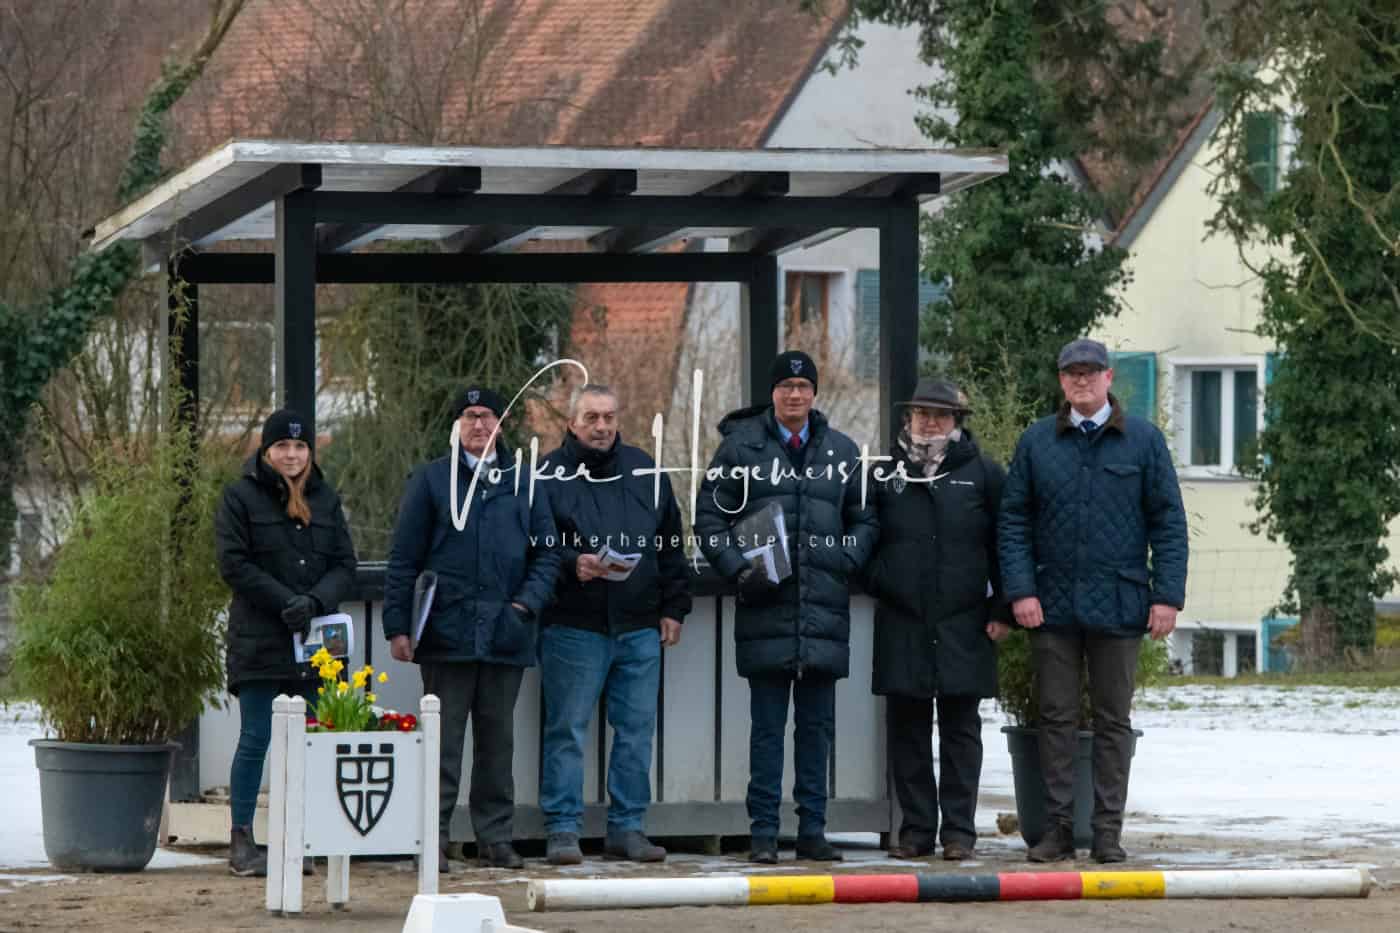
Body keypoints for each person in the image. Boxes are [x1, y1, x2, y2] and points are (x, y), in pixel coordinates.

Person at [999, 338, 1188, 863]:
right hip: (1050, 603)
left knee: (1113, 721)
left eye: (1090, 372)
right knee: (1055, 718)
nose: (1081, 381)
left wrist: (1167, 596)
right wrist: (1021, 590)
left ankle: (1107, 832)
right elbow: (1013, 522)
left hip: (1121, 603)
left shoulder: (1144, 441)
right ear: (1061, 381)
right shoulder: (1037, 442)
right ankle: (1057, 830)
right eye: (1071, 373)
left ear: (1109, 378)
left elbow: (1168, 523)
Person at [694, 350, 878, 864]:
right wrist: (739, 567)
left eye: (803, 386)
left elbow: (866, 518)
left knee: (817, 731)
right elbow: (708, 517)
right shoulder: (739, 449)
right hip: (766, 611)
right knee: (767, 732)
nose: (794, 394)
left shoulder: (843, 451)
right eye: (785, 386)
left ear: (814, 393)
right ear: (772, 393)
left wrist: (847, 558)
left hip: (823, 613)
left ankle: (813, 831)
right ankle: (763, 834)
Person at [381, 387, 560, 870]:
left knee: (497, 744)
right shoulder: (431, 481)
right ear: (457, 424)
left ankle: (495, 837)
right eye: (469, 415)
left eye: (487, 416)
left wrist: (524, 605)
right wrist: (398, 626)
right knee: (442, 743)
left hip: (506, 632)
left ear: (501, 424)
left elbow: (548, 554)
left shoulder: (525, 482)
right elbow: (404, 559)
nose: (479, 424)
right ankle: (432, 837)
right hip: (446, 633)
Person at [535, 384, 692, 865]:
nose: (601, 426)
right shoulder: (546, 476)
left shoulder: (646, 471)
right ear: (571, 423)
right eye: (591, 418)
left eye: (608, 416)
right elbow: (531, 545)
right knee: (566, 731)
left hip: (640, 625)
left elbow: (671, 543)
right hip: (573, 625)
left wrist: (674, 607)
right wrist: (571, 563)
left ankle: (628, 828)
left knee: (636, 732)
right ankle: (562, 830)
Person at [864, 378, 1011, 861]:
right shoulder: (882, 474)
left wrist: (1002, 607)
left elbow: (1006, 544)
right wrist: (883, 579)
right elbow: (864, 536)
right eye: (922, 413)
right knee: (906, 730)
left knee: (960, 732)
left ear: (956, 422)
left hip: (964, 622)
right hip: (902, 618)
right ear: (908, 418)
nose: (930, 422)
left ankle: (959, 833)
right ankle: (916, 830)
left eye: (941, 415)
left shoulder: (984, 474)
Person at [214, 409, 357, 877]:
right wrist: (285, 602)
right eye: (282, 447)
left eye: (299, 447)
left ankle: (303, 836)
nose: (291, 455)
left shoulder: (326, 499)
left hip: (315, 643)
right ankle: (242, 840)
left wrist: (315, 601)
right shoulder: (239, 497)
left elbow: (345, 564)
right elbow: (234, 563)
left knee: (312, 740)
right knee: (256, 737)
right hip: (259, 639)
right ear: (266, 450)